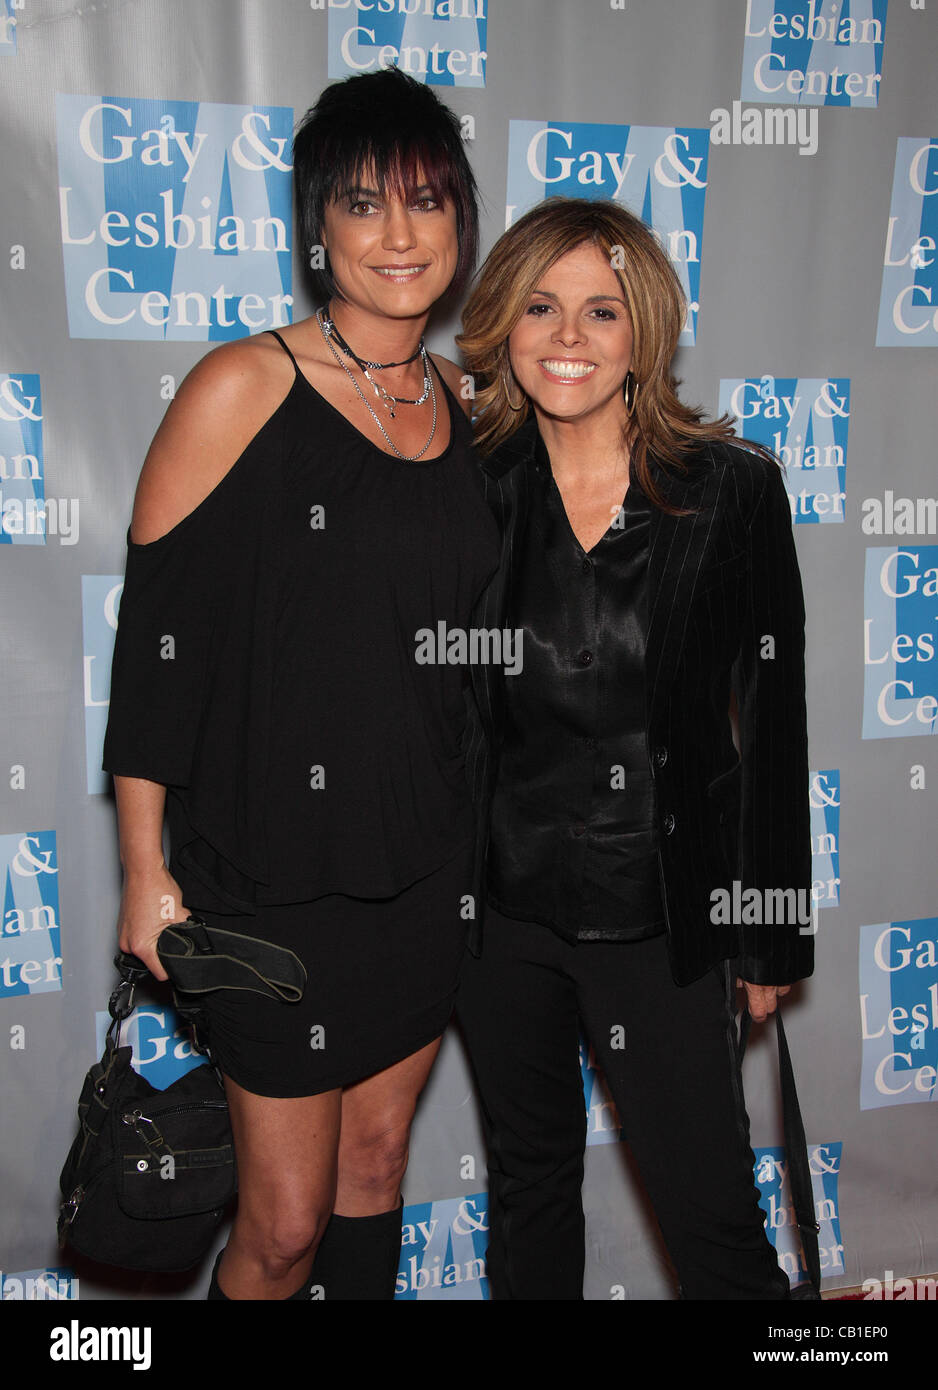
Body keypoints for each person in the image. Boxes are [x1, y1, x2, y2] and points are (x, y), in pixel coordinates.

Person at [102, 67, 498, 1301]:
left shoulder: (473, 415)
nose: (397, 236)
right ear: (314, 227)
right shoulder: (240, 389)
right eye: (364, 204)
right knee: (278, 1229)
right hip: (269, 883)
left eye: (426, 204)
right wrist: (143, 870)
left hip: (429, 869)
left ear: (460, 227)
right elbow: (157, 654)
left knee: (375, 1168)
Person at [455, 196, 813, 1300]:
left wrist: (767, 939)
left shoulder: (729, 488)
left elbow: (771, 721)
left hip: (664, 918)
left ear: (642, 330)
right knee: (526, 1196)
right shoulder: (465, 482)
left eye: (600, 310)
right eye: (540, 307)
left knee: (713, 1227)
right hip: (498, 919)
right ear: (504, 326)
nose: (567, 337)